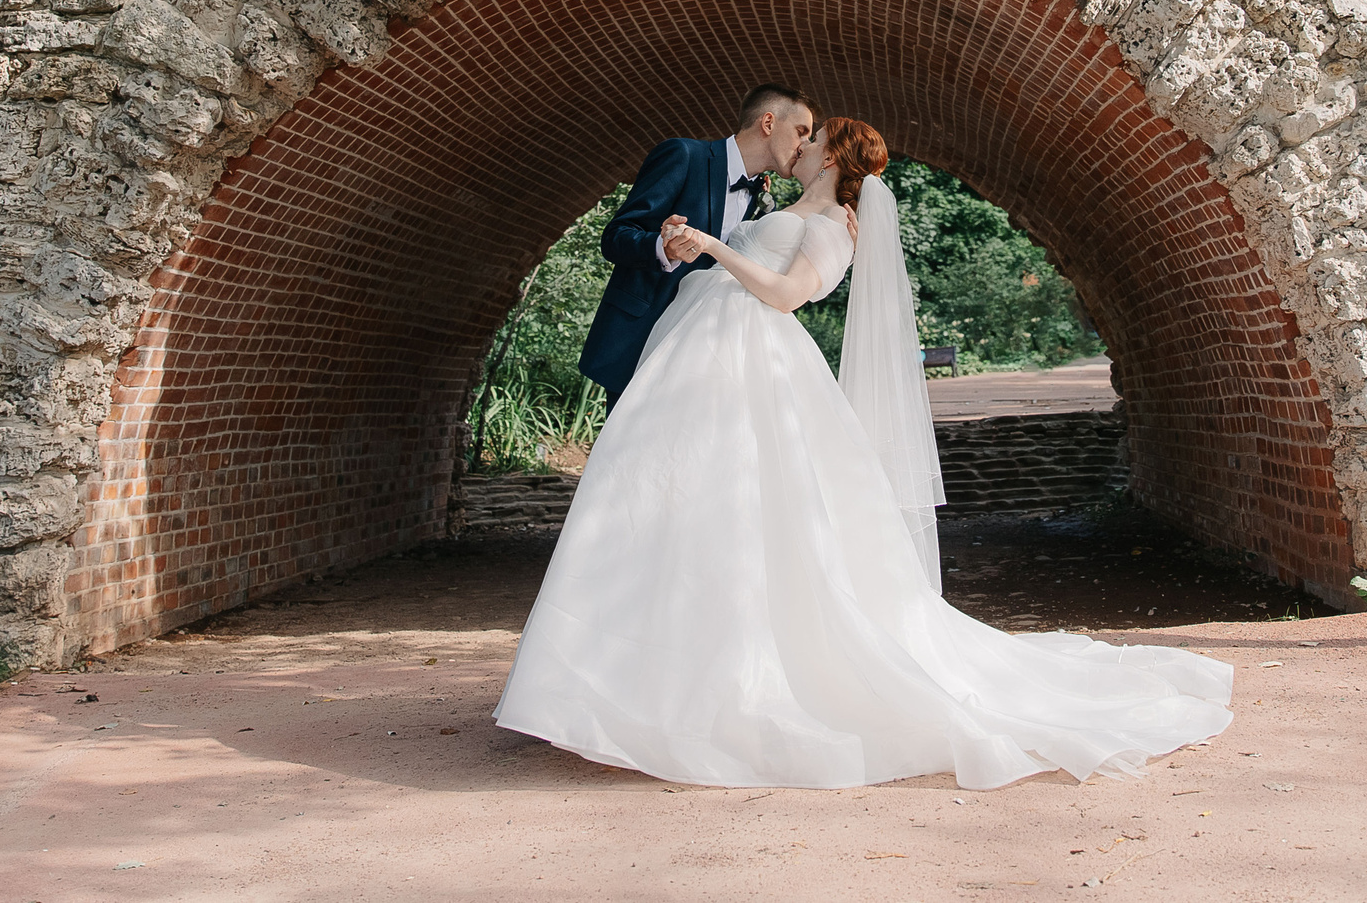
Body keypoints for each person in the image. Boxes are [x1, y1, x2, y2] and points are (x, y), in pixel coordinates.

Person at [496, 116, 1232, 790]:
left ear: (832, 158)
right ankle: (629, 683)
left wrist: (715, 248)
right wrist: (694, 240)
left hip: (751, 365)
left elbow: (785, 295)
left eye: (813, 137)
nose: (801, 143)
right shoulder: (787, 207)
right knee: (664, 506)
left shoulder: (834, 229)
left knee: (742, 517)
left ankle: (713, 688)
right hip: (698, 356)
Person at [577, 84, 813, 400]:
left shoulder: (761, 195)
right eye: (801, 132)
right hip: (641, 339)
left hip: (702, 358)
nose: (804, 145)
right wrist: (662, 248)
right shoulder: (684, 155)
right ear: (768, 123)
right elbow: (615, 236)